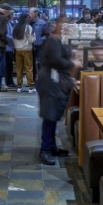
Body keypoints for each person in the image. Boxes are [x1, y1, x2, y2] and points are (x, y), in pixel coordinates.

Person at [36, 16, 74, 165]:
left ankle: (51, 146)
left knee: (53, 115)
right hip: (50, 82)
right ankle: (44, 149)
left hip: (56, 82)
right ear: (57, 25)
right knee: (49, 115)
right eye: (64, 23)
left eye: (68, 23)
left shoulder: (60, 40)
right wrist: (73, 62)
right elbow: (57, 60)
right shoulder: (53, 40)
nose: (66, 26)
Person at [12, 12, 36, 92]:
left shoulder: (15, 27)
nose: (30, 19)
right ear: (26, 19)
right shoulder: (28, 27)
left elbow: (13, 39)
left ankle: (19, 86)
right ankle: (31, 87)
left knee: (19, 68)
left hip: (17, 50)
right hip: (27, 50)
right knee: (29, 68)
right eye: (28, 18)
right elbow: (31, 40)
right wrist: (34, 36)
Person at [29, 7, 47, 83]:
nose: (29, 14)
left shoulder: (42, 23)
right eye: (29, 13)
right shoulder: (27, 23)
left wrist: (40, 40)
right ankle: (32, 81)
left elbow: (46, 35)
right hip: (29, 46)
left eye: (30, 13)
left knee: (40, 64)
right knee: (30, 64)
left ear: (36, 13)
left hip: (40, 46)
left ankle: (41, 80)